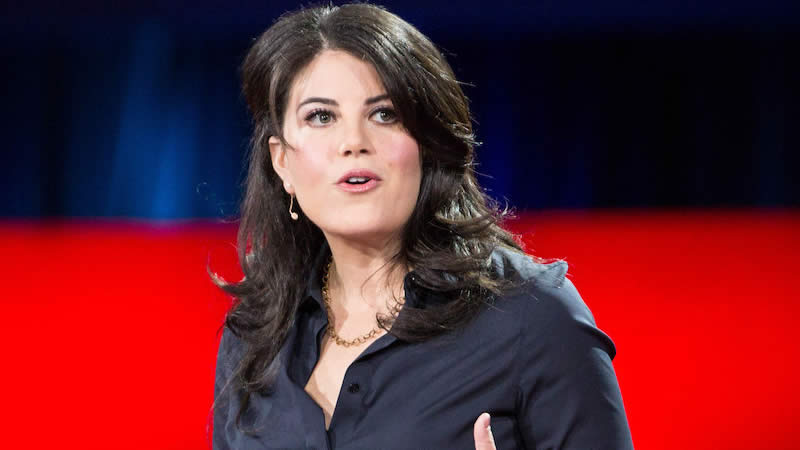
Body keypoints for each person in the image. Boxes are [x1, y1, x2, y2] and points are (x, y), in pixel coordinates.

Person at [212, 3, 633, 449]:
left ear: (428, 145)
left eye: (384, 114)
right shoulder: (254, 336)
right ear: (282, 161)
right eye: (321, 116)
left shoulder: (533, 315)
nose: (353, 142)